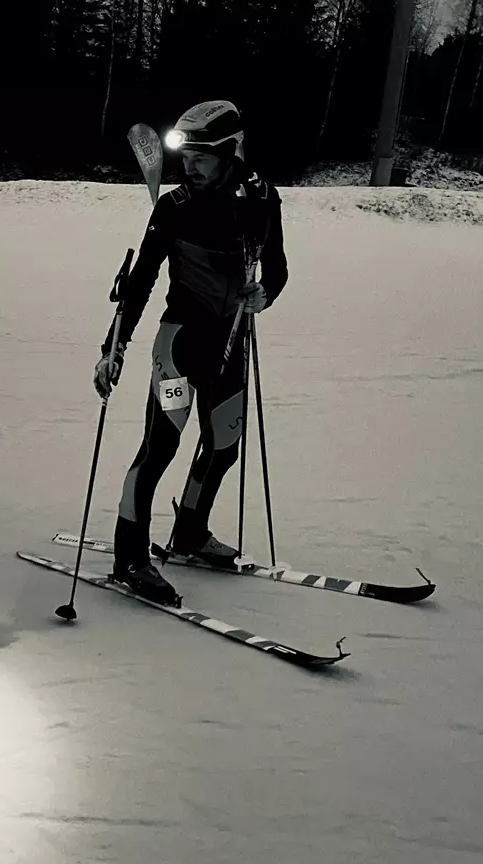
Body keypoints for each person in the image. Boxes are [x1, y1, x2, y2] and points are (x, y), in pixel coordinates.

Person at [92, 100, 288, 606]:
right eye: (187, 156)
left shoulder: (263, 197)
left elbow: (279, 269)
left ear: (230, 153)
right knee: (159, 449)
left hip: (230, 344)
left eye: (201, 157)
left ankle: (190, 532)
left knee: (224, 447)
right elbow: (138, 284)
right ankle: (130, 557)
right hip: (178, 344)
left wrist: (264, 294)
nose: (190, 166)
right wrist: (112, 349)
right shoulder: (174, 208)